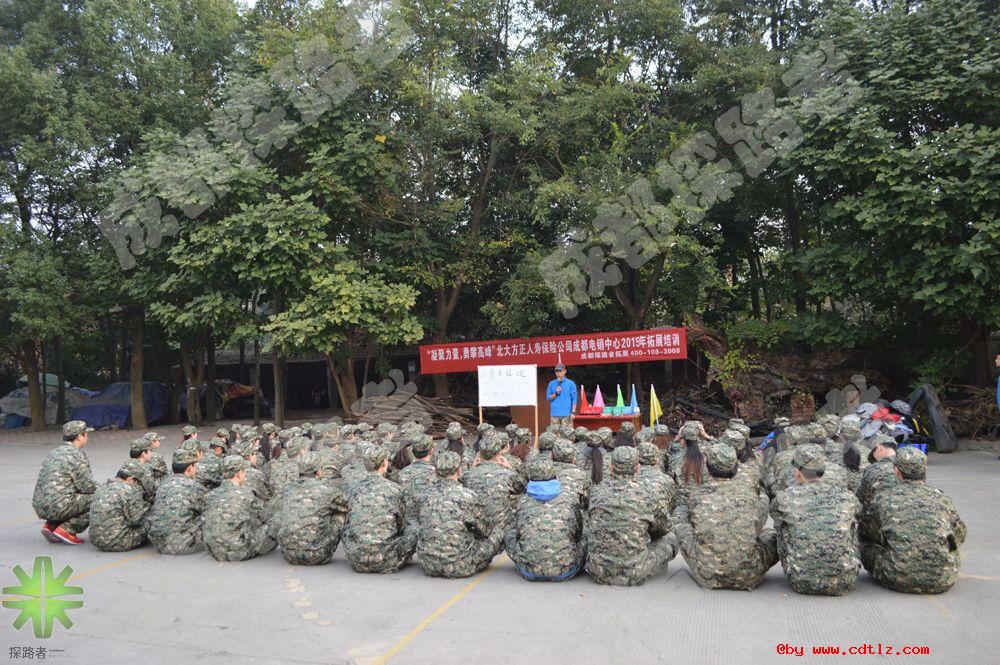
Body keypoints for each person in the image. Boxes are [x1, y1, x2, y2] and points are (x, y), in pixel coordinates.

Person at [860, 448, 966, 594]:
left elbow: (867, 531)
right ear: (925, 470)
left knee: (864, 544)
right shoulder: (942, 498)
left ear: (896, 471)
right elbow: (959, 534)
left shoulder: (883, 498)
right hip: (943, 578)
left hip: (897, 577)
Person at [673, 444, 778, 590]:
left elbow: (688, 521)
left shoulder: (696, 495)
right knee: (772, 535)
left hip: (707, 574)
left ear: (708, 468)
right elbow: (759, 522)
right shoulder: (750, 494)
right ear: (736, 468)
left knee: (681, 513)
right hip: (749, 575)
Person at [770, 445, 861, 595]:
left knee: (781, 524)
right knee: (852, 524)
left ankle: (799, 561)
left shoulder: (784, 497)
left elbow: (774, 514)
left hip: (800, 580)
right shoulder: (847, 496)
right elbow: (861, 514)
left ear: (797, 472)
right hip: (845, 581)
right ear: (823, 470)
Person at [586, 446, 677, 586]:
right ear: (638, 468)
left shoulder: (597, 491)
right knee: (671, 539)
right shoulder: (647, 495)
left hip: (598, 571)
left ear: (611, 468)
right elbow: (664, 528)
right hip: (635, 572)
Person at [418, 452, 503, 578]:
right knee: (497, 532)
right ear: (458, 471)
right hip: (461, 565)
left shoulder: (424, 495)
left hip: (428, 565)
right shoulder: (468, 496)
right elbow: (485, 530)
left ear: (435, 472)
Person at [505, 458, 586, 581]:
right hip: (566, 570)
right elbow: (578, 533)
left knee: (509, 534)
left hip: (529, 570)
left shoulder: (523, 502)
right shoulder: (569, 500)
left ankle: (528, 559)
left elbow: (517, 534)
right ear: (554, 475)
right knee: (586, 533)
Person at [342, 445, 417, 573]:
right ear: (384, 463)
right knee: (414, 528)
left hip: (358, 560)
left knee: (345, 526)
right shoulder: (395, 489)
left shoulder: (354, 489)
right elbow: (402, 525)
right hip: (388, 560)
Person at [277, 452, 349, 565]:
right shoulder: (327, 491)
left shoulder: (289, 490)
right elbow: (348, 505)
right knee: (340, 514)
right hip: (318, 555)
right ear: (319, 472)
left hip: (289, 555)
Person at [33, 420, 96, 545]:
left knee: (67, 496)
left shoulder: (54, 453)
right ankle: (67, 530)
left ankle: (51, 525)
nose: (87, 437)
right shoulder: (77, 455)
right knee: (98, 499)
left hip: (40, 505)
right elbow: (87, 486)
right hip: (59, 505)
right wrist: (106, 489)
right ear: (79, 436)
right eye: (86, 434)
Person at [203, 456, 277, 561]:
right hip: (238, 551)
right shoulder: (245, 494)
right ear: (238, 474)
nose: (245, 475)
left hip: (214, 551)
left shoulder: (211, 494)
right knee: (276, 520)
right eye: (244, 472)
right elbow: (266, 515)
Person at [461, 432, 526, 532]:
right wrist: (510, 467)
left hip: (479, 528)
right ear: (499, 454)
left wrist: (472, 468)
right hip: (503, 528)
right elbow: (523, 486)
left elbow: (461, 483)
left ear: (479, 454)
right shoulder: (508, 474)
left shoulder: (468, 475)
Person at [148, 447, 207, 554]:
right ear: (190, 468)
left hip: (158, 544)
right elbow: (208, 509)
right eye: (195, 465)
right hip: (181, 545)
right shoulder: (195, 487)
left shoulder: (163, 485)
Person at [89, 461, 151, 552]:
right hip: (118, 542)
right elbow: (136, 520)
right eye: (136, 482)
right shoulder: (128, 490)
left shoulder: (102, 487)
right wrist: (148, 507)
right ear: (130, 479)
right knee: (151, 519)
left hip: (96, 541)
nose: (136, 485)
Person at [396, 434, 437, 527]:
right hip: (430, 524)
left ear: (413, 452)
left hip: (409, 525)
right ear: (431, 451)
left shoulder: (402, 474)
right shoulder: (436, 473)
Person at [856, 435, 898, 506]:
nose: (875, 460)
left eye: (873, 455)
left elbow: (862, 499)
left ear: (878, 447)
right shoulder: (905, 466)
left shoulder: (873, 469)